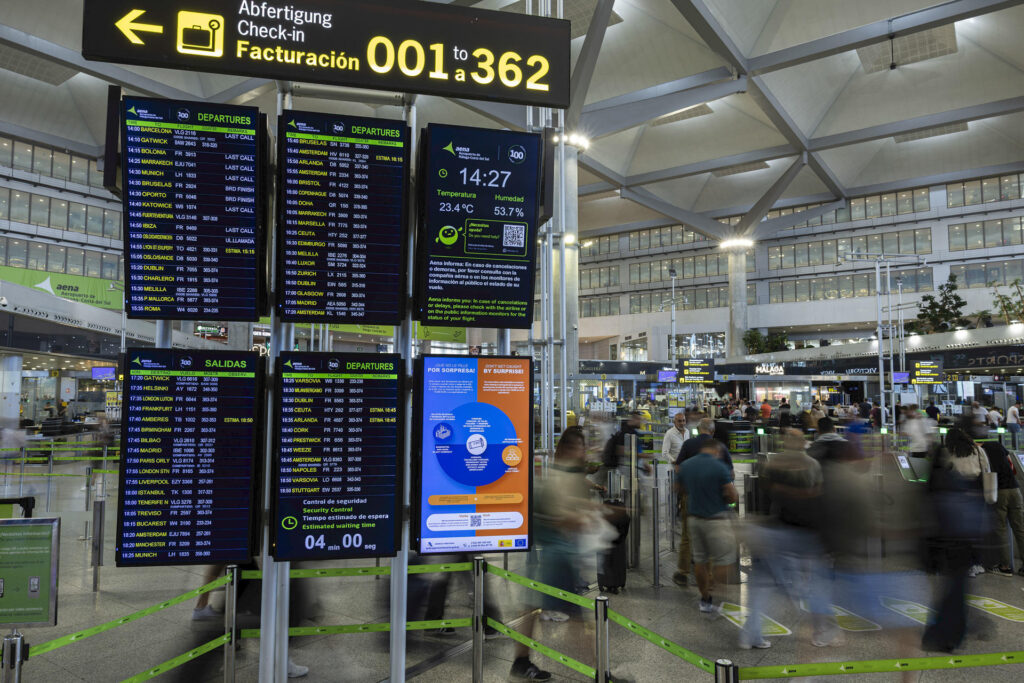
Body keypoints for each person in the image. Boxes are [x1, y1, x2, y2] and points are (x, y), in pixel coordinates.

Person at [743, 429, 833, 649]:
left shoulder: (774, 463)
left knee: (763, 584)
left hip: (777, 527)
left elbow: (764, 491)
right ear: (802, 443)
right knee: (812, 582)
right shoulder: (811, 465)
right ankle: (820, 631)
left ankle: (752, 633)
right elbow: (817, 494)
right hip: (803, 532)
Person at [921, 427, 991, 652]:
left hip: (949, 537)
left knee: (952, 588)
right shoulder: (977, 451)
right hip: (973, 504)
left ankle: (944, 633)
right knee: (957, 588)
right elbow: (987, 470)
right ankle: (950, 632)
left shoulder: (947, 465)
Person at [676, 439, 738, 614]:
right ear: (716, 450)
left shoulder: (687, 465)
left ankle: (705, 599)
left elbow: (678, 488)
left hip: (694, 519)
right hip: (716, 520)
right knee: (724, 559)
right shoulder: (719, 467)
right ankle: (717, 590)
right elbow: (732, 496)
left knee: (700, 559)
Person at [981, 439, 1024, 577]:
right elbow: (1012, 467)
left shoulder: (983, 451)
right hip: (1015, 490)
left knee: (1001, 530)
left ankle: (1005, 567)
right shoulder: (999, 447)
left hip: (999, 492)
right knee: (1020, 529)